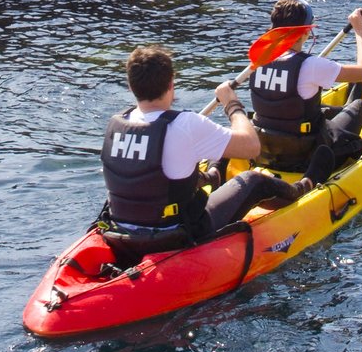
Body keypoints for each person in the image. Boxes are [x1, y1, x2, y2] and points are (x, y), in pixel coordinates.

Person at [99, 45, 330, 263]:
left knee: (209, 149)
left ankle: (213, 176)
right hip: (177, 232)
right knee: (253, 180)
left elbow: (151, 180)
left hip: (120, 232)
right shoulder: (185, 124)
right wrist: (232, 104)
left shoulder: (114, 124)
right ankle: (303, 187)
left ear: (131, 87)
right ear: (171, 84)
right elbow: (251, 146)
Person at [247, 0, 362, 172]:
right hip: (309, 155)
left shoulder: (257, 60)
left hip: (266, 152)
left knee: (318, 108)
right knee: (359, 107)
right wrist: (359, 30)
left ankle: (345, 108)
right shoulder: (310, 65)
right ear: (306, 31)